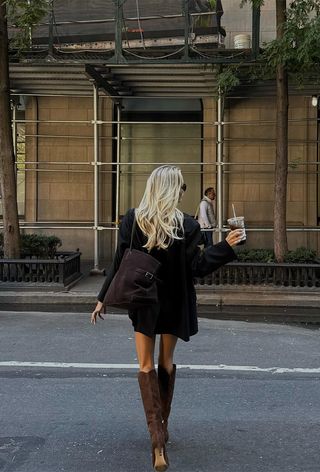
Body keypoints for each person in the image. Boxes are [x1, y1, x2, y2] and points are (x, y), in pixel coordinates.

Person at [91, 166, 242, 472]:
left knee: (145, 366)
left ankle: (157, 442)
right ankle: (163, 428)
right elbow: (198, 266)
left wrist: (101, 298)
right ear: (174, 189)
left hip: (144, 302)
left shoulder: (133, 219)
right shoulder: (186, 225)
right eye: (182, 187)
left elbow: (119, 262)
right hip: (174, 303)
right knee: (166, 364)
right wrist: (226, 246)